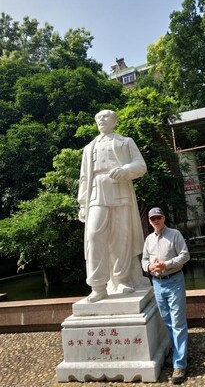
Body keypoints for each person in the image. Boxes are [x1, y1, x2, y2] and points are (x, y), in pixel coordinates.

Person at [78, 109, 150, 303]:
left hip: (120, 190)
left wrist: (126, 169)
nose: (101, 119)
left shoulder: (125, 142)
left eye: (106, 116)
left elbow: (140, 165)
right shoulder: (89, 148)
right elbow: (84, 178)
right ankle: (98, 285)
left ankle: (122, 279)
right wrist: (82, 204)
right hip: (96, 192)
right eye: (98, 117)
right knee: (93, 236)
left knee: (121, 237)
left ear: (115, 121)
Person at [141, 207, 190, 385]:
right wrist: (149, 268)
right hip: (158, 284)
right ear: (149, 221)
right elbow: (144, 260)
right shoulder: (148, 239)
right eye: (153, 218)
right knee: (168, 321)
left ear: (164, 218)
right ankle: (179, 354)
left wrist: (166, 264)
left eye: (158, 217)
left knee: (178, 322)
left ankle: (180, 364)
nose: (156, 221)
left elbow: (185, 256)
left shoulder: (175, 234)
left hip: (174, 281)